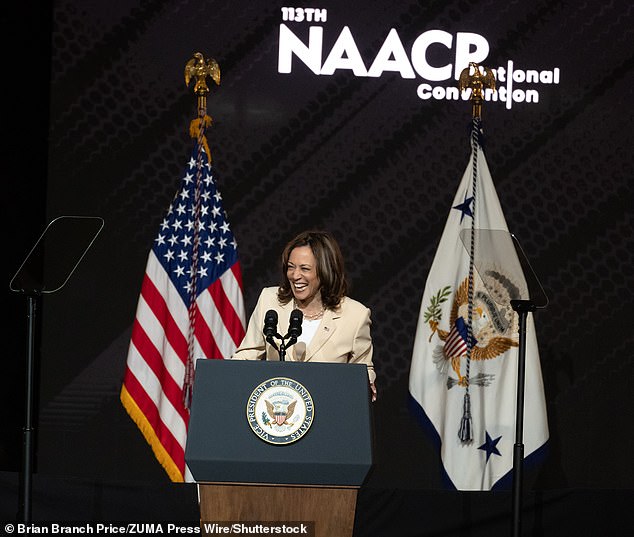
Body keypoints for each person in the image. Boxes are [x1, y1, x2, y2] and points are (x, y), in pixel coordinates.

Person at [232, 230, 377, 401]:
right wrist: (226, 375)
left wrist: (367, 383)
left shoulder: (355, 315)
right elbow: (247, 354)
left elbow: (363, 369)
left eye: (305, 269)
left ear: (325, 271)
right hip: (277, 409)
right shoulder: (269, 301)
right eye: (291, 267)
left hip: (327, 408)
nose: (295, 276)